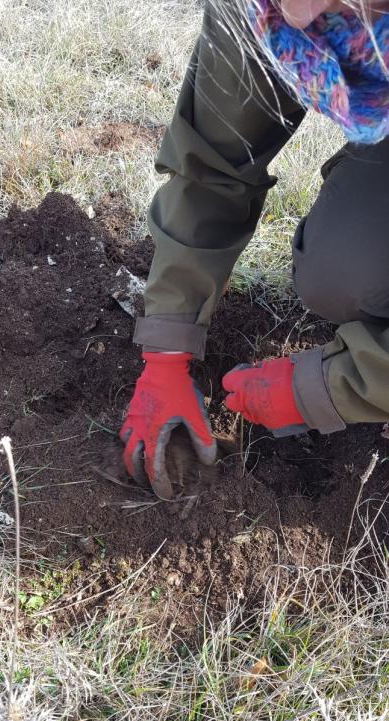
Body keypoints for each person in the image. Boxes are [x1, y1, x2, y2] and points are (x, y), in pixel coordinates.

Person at [120, 0, 389, 498]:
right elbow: (213, 161)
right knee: (345, 270)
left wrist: (332, 388)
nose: (301, 12)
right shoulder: (272, 8)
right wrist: (166, 351)